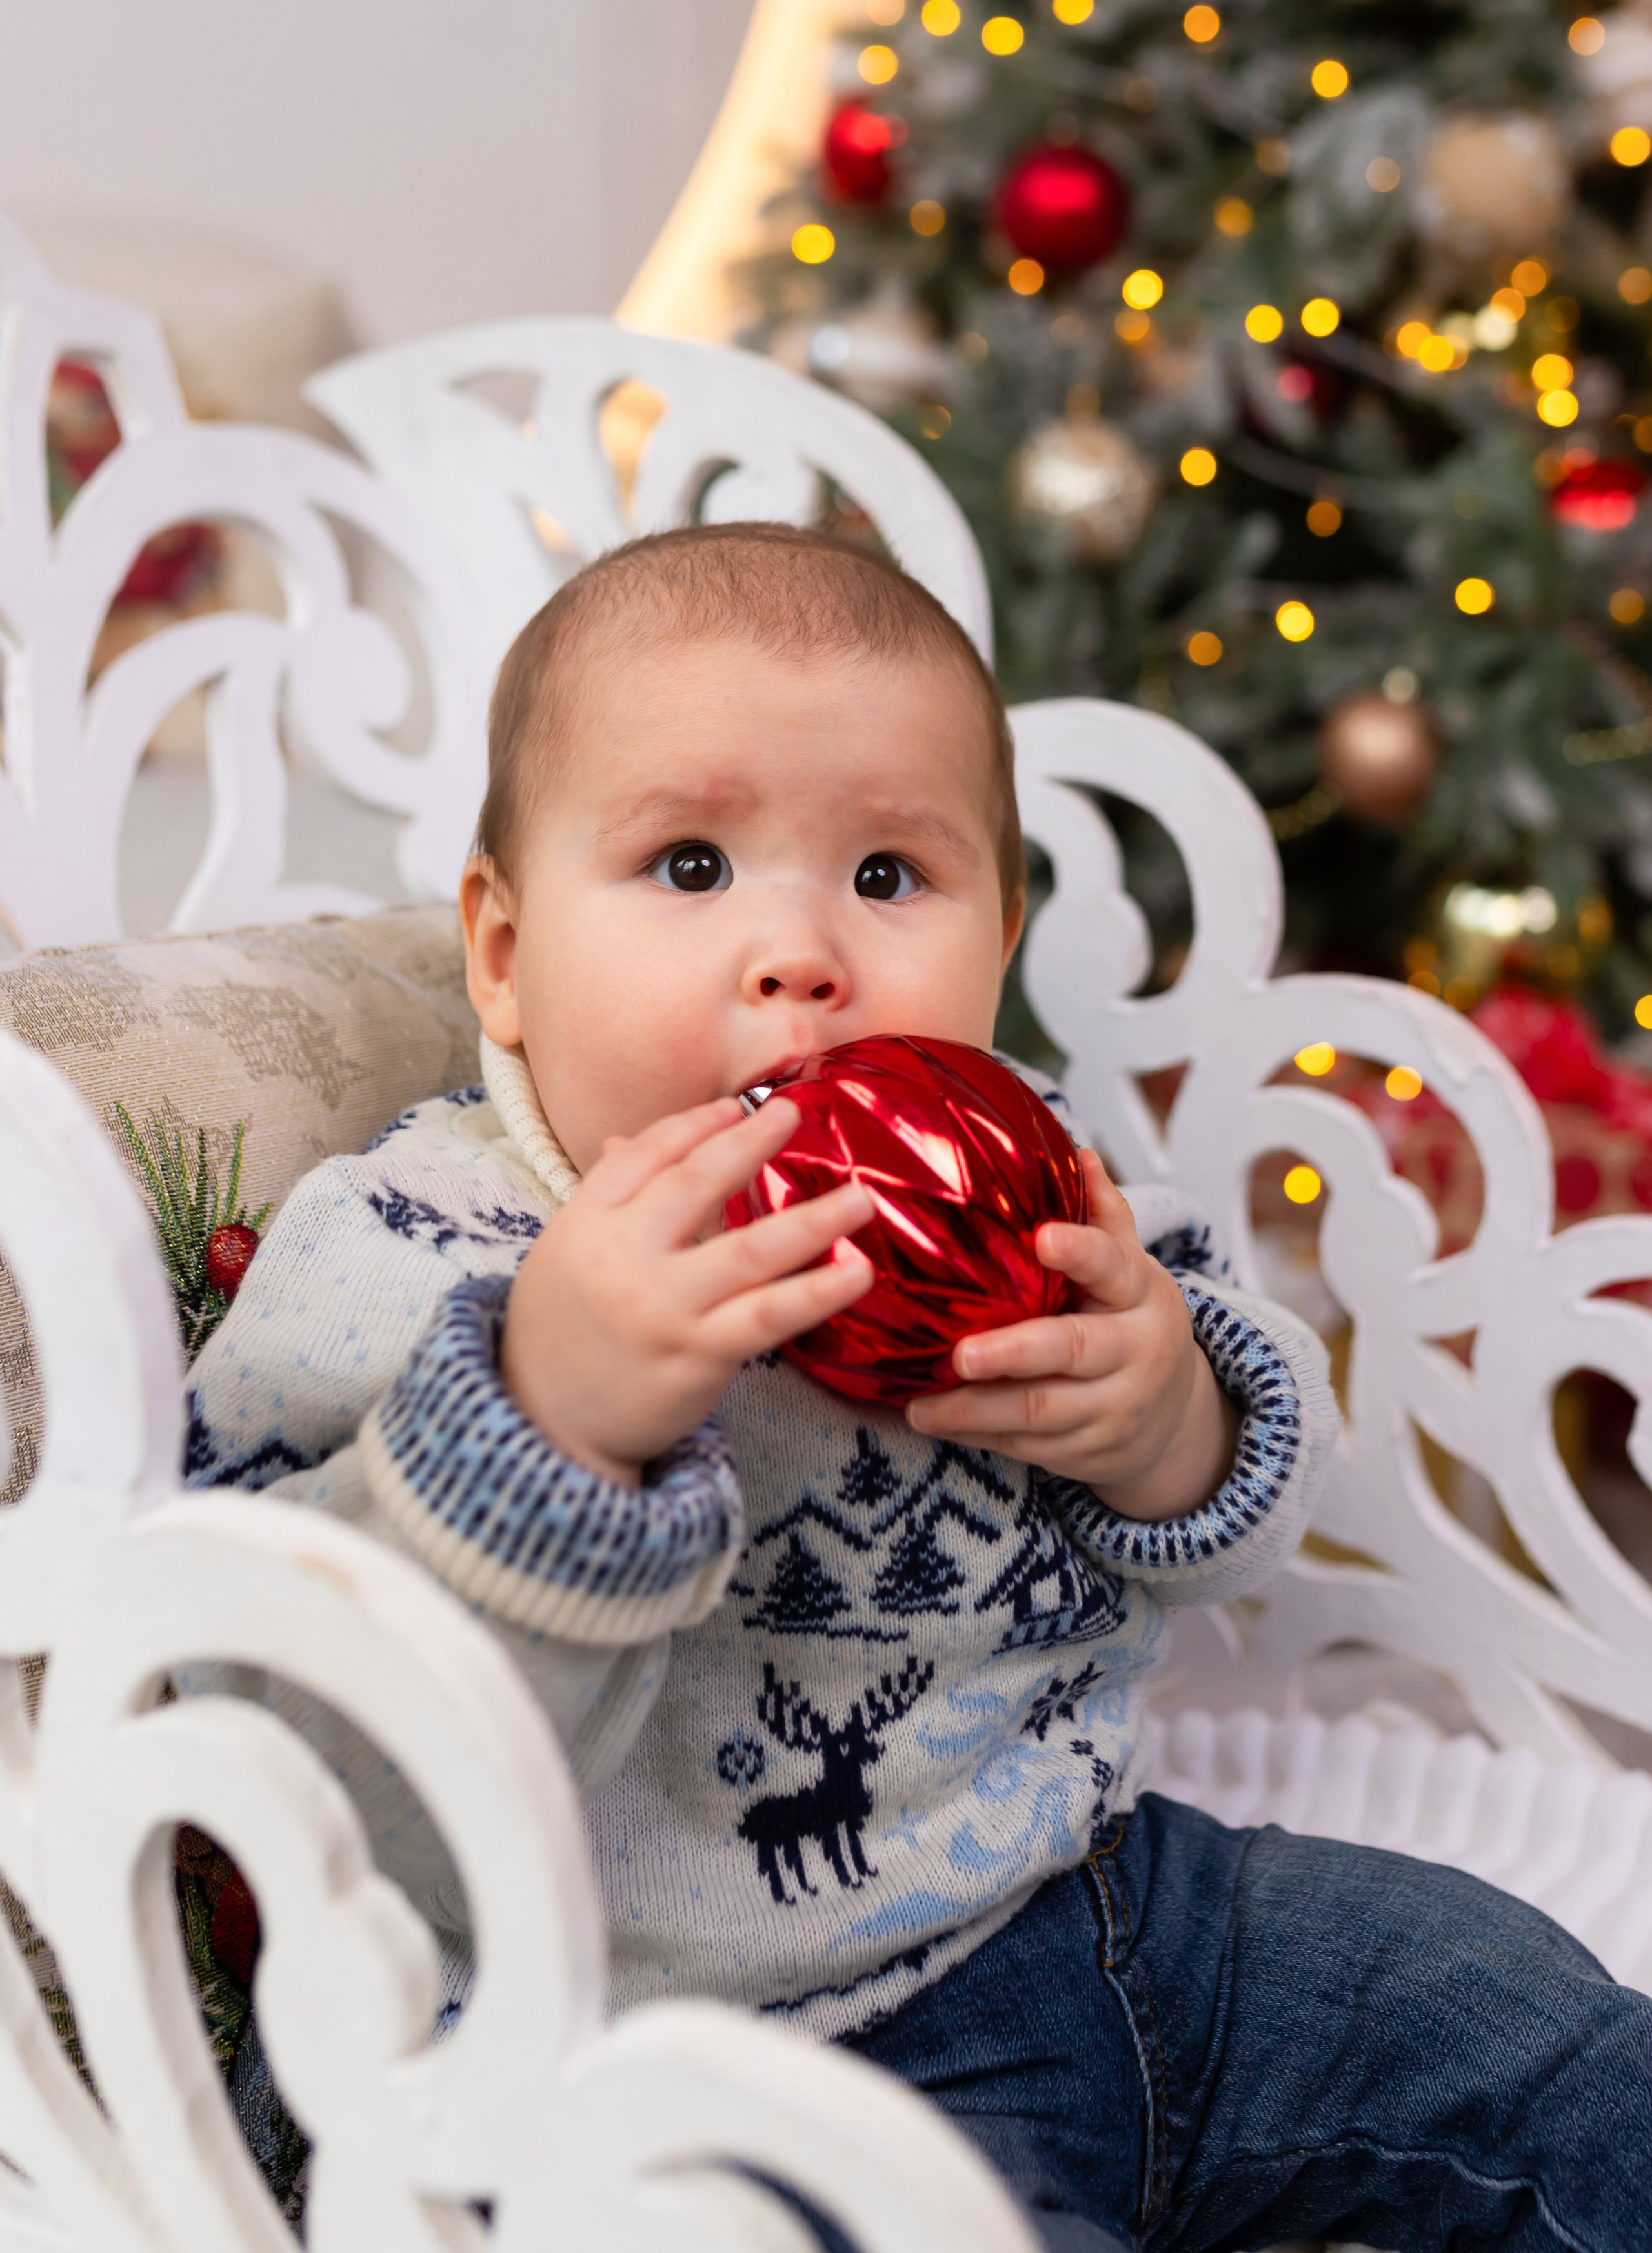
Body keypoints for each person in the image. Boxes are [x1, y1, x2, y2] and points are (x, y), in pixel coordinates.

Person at [186, 523, 1652, 2252]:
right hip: (676, 2068)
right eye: (689, 863)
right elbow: (272, 1716)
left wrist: (1167, 1422)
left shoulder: (1030, 1189)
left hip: (1107, 1908)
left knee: (1517, 2018)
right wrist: (548, 1424)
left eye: (890, 878)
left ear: (1002, 936)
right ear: (501, 956)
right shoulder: (419, 1247)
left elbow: (1248, 1490)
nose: (802, 952)